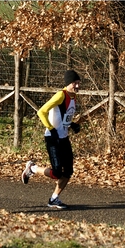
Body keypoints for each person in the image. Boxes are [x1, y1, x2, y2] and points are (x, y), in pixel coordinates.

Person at [21, 70, 82, 209]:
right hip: (52, 138)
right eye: (75, 83)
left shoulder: (73, 97)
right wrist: (51, 128)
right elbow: (41, 111)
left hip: (64, 138)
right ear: (68, 83)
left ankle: (54, 199)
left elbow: (64, 117)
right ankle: (32, 168)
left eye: (79, 83)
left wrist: (72, 125)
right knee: (56, 173)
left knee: (68, 172)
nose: (77, 86)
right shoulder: (61, 95)